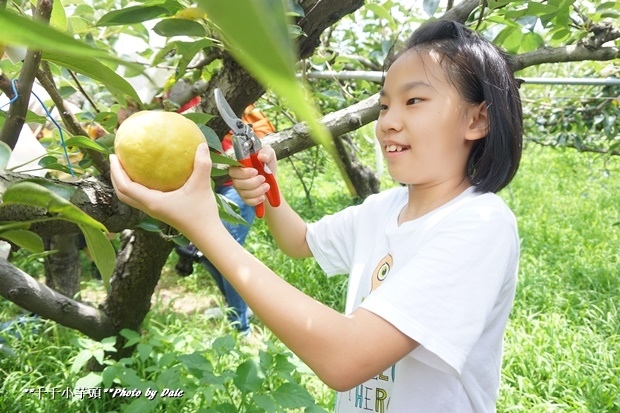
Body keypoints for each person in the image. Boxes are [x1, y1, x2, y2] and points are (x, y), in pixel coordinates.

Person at [111, 20, 523, 412]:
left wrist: (202, 227)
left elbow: (347, 357)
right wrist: (269, 188)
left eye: (413, 100)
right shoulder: (386, 208)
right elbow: (300, 241)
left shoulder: (480, 225)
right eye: (383, 105)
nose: (388, 123)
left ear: (477, 119)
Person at [174, 104, 275, 336]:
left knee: (228, 254)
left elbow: (263, 132)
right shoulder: (171, 106)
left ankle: (241, 326)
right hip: (200, 187)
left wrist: (243, 150)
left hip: (233, 186)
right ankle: (237, 308)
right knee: (208, 254)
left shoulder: (224, 100)